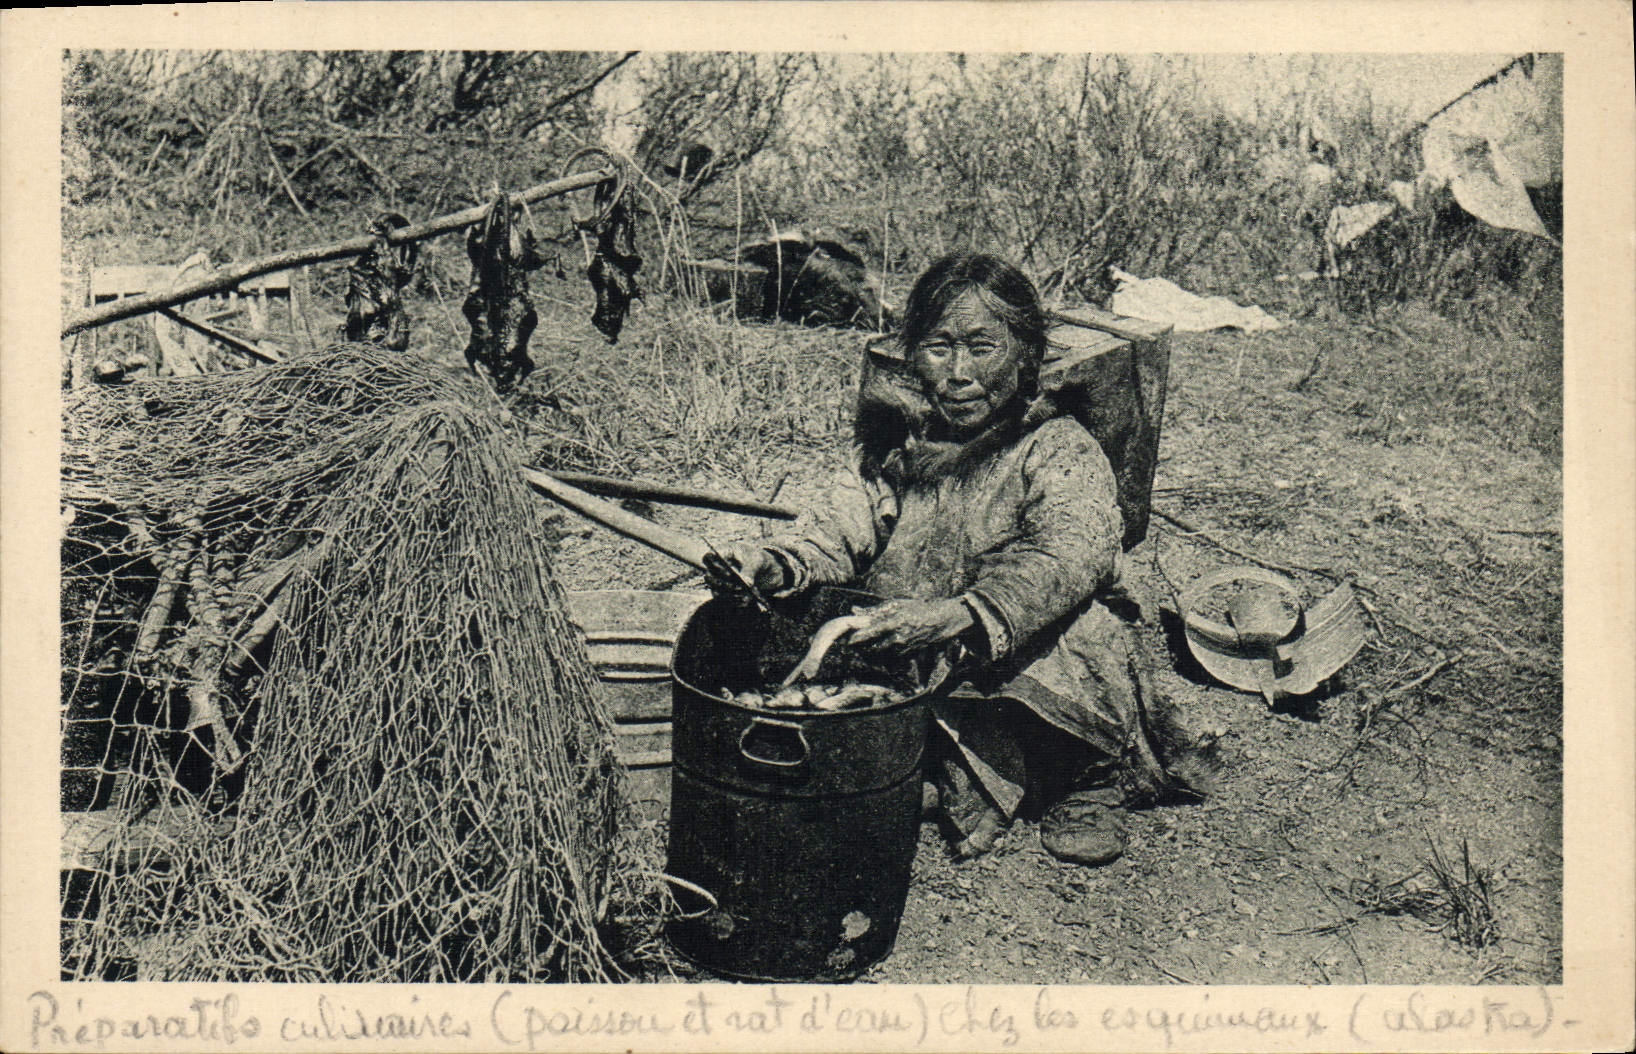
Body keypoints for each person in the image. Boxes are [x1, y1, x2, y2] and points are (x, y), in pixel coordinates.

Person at [714, 252, 1204, 865]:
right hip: (920, 649)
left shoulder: (1056, 445)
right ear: (912, 352)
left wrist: (960, 615)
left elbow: (1068, 551)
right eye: (939, 347)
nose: (959, 374)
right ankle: (969, 763)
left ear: (1026, 355)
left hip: (1015, 645)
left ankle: (1085, 779)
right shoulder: (897, 444)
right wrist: (777, 563)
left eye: (982, 347)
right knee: (807, 625)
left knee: (1082, 630)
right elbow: (837, 532)